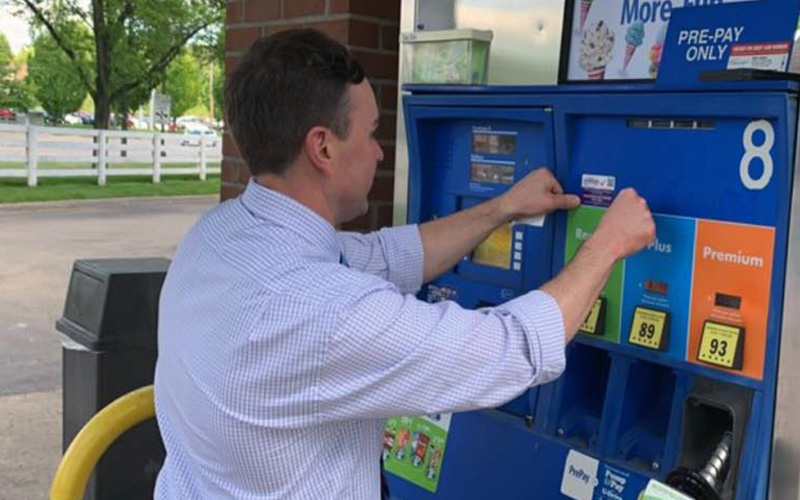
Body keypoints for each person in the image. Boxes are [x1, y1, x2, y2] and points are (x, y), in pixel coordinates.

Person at [153, 29, 655, 500]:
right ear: (323, 147)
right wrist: (606, 245)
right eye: (371, 133)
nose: (377, 153)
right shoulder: (320, 311)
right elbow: (510, 350)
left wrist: (503, 208)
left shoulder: (217, 237)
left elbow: (388, 256)